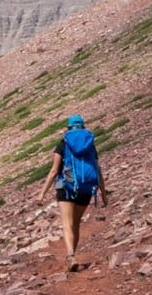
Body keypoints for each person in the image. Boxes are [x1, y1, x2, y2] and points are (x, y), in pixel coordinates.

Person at [37, 114, 106, 270]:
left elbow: (54, 170)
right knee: (75, 224)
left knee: (67, 224)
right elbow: (97, 169)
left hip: (66, 187)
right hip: (86, 188)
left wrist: (42, 193)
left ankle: (70, 256)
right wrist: (103, 193)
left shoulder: (63, 144)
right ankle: (72, 255)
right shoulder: (90, 144)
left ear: (68, 128)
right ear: (83, 126)